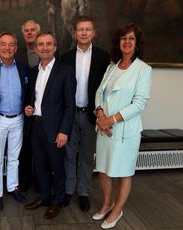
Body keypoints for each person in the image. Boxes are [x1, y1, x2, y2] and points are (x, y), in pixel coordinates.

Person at [92, 23, 152, 229]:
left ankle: (118, 209)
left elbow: (140, 102)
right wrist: (100, 115)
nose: (127, 42)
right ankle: (107, 202)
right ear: (118, 42)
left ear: (137, 44)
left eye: (131, 38)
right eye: (123, 38)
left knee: (123, 171)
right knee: (103, 169)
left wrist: (112, 119)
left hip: (125, 129)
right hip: (104, 127)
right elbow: (100, 92)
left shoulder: (143, 69)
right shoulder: (112, 66)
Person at [60, 15, 110, 211]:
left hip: (91, 115)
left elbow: (106, 88)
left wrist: (103, 114)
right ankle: (68, 190)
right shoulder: (65, 57)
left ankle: (83, 193)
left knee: (88, 157)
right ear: (75, 32)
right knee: (69, 155)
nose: (84, 33)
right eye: (80, 29)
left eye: (88, 29)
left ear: (94, 33)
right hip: (70, 114)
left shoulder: (103, 56)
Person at [24, 32, 76, 219]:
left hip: (55, 129)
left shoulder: (65, 70)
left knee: (57, 166)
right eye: (41, 44)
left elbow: (70, 105)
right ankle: (45, 197)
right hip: (36, 126)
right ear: (36, 48)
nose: (44, 47)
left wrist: (64, 131)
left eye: (48, 44)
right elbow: (34, 99)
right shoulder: (33, 71)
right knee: (40, 165)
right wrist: (28, 108)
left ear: (55, 47)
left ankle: (57, 201)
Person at [0, 32, 29, 211]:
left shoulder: (24, 68)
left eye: (11, 45)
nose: (7, 48)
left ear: (16, 48)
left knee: (14, 158)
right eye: (4, 44)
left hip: (18, 119)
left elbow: (30, 93)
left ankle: (12, 187)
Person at [15, 19, 41, 192]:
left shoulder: (48, 53)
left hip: (43, 108)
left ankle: (41, 181)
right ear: (23, 34)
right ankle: (23, 180)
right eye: (27, 30)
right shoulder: (16, 55)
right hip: (22, 107)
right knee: (24, 147)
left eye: (33, 30)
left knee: (41, 147)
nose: (30, 33)